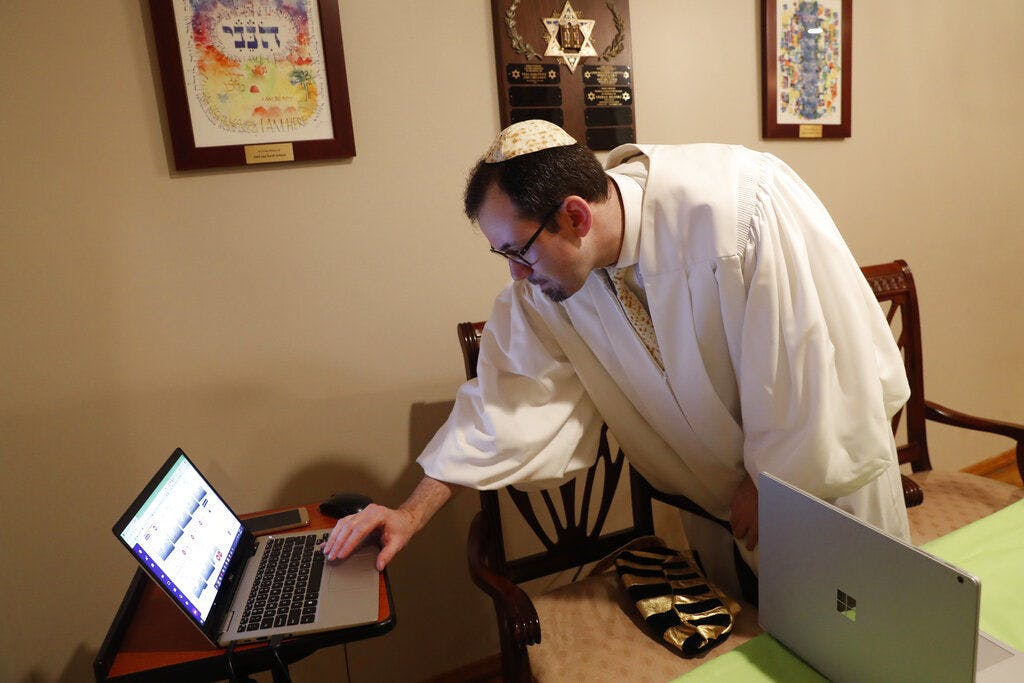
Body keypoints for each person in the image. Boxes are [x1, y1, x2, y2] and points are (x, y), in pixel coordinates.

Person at [321, 120, 911, 596]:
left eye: (518, 251)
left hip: (821, 492)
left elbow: (806, 364)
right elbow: (503, 406)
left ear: (575, 215)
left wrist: (769, 484)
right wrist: (410, 513)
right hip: (719, 515)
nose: (515, 274)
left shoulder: (737, 209)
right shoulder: (549, 289)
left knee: (860, 648)